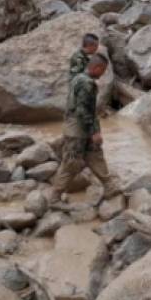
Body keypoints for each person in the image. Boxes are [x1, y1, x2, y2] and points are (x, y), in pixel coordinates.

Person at [53, 53, 120, 201]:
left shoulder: (77, 78)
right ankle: (55, 197)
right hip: (78, 130)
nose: (102, 75)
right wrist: (94, 132)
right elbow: (83, 110)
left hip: (80, 127)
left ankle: (109, 186)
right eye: (103, 71)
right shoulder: (87, 83)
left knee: (95, 155)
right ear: (97, 67)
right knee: (71, 163)